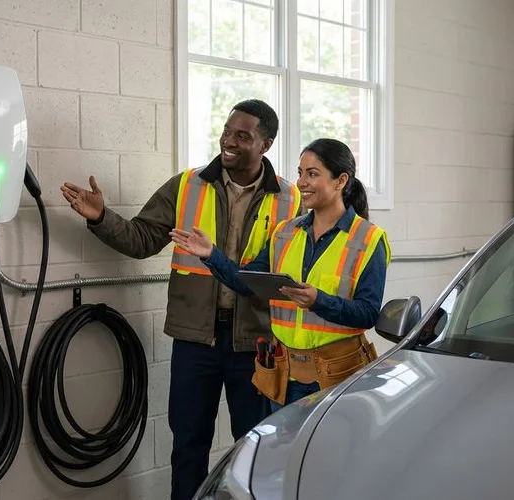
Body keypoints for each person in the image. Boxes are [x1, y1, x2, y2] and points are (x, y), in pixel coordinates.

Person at [60, 99, 302, 500]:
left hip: (258, 343)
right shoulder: (188, 185)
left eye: (242, 136)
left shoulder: (290, 200)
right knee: (188, 445)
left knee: (255, 447)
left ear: (266, 144)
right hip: (196, 341)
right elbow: (142, 239)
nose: (229, 141)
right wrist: (101, 217)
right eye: (226, 131)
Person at [170, 138, 390, 411]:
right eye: (300, 173)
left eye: (312, 174)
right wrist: (211, 255)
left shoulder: (369, 239)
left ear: (341, 181)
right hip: (285, 376)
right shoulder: (284, 233)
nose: (301, 183)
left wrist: (318, 301)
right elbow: (246, 281)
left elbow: (368, 313)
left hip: (338, 377)